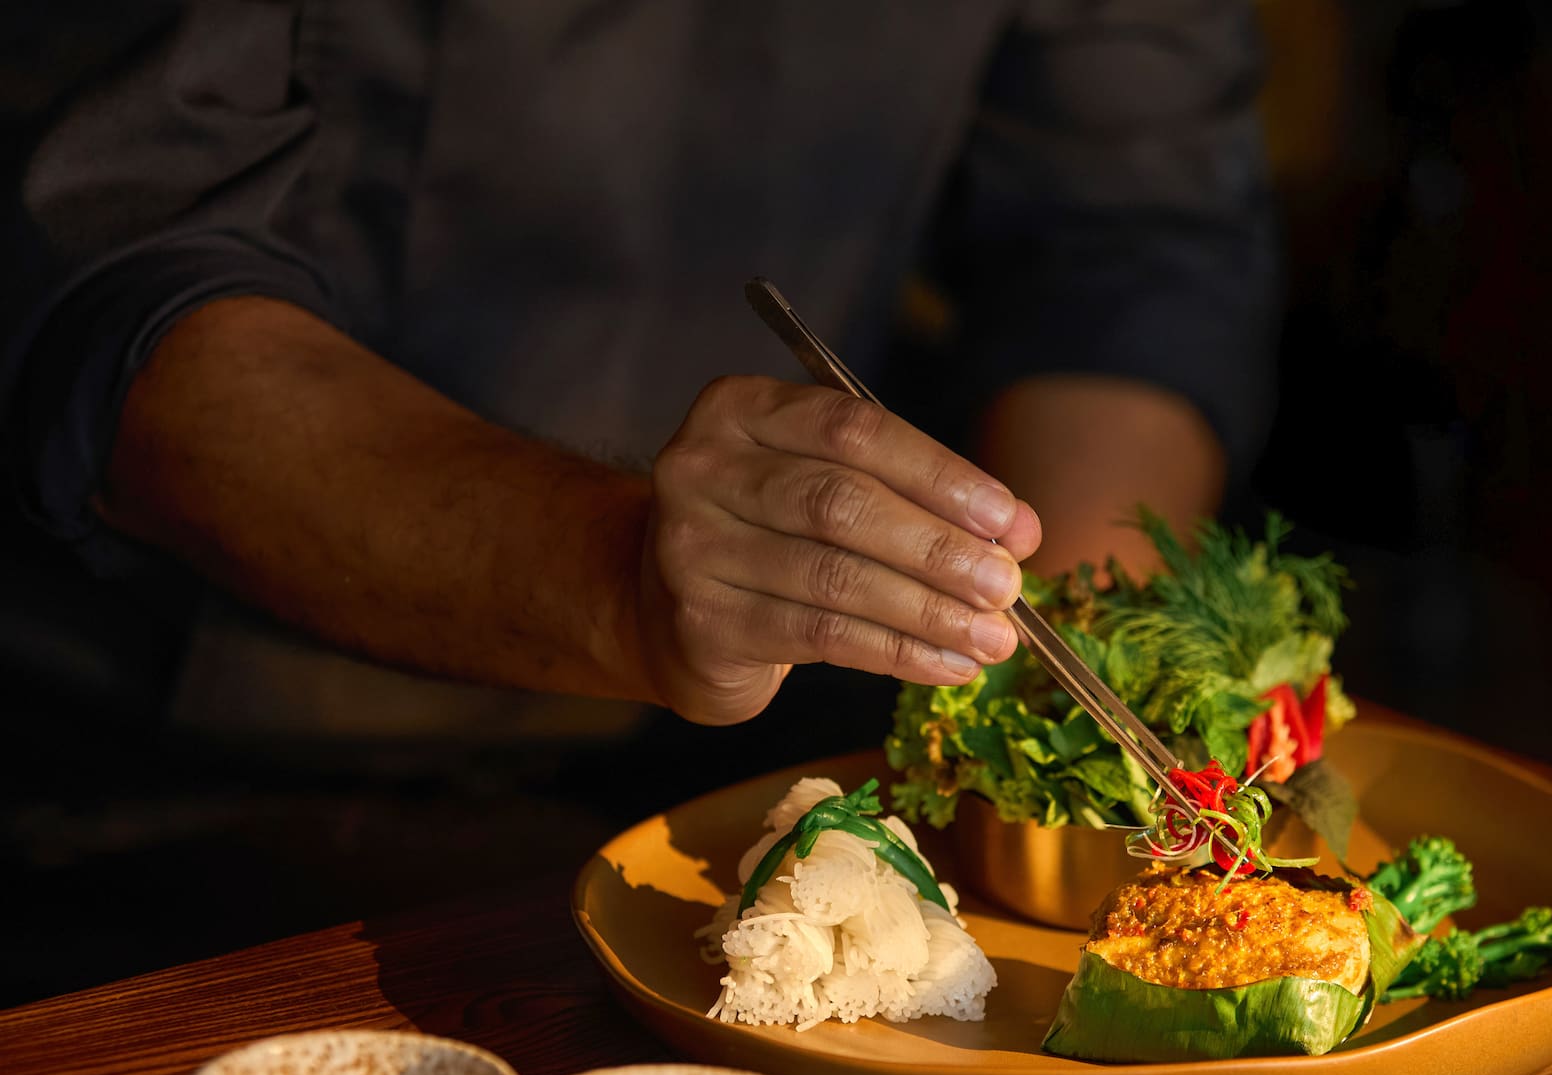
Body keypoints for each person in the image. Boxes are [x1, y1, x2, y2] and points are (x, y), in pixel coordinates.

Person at [3, 1, 1282, 736]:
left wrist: (1062, 709)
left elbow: (1120, 241)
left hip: (767, 764)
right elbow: (116, 278)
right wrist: (622, 583)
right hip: (193, 778)